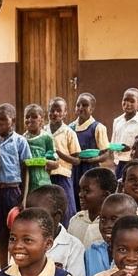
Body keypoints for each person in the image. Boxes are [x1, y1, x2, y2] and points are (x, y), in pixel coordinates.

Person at [0, 103, 31, 269]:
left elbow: (25, 169)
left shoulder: (20, 141)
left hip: (13, 190)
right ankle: (3, 268)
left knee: (14, 231)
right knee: (0, 233)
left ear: (12, 121)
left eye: (3, 120)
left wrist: (24, 196)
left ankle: (17, 267)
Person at [26, 185, 85, 276]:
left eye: (39, 216)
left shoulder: (73, 246)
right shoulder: (24, 242)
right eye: (29, 214)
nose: (32, 221)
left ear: (57, 216)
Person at [47, 97, 83, 227]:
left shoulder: (69, 132)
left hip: (63, 177)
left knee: (67, 212)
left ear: (65, 113)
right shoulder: (43, 131)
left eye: (58, 110)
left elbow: (77, 160)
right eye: (52, 110)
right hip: (46, 177)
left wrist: (59, 153)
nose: (55, 113)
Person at [71, 93, 111, 210]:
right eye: (78, 105)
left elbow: (105, 154)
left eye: (85, 105)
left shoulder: (98, 128)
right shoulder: (70, 128)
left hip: (91, 169)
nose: (80, 108)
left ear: (92, 109)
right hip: (74, 170)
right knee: (75, 197)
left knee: (90, 197)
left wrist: (92, 159)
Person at [85, 194, 138, 276]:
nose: (107, 225)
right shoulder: (92, 251)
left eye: (114, 219)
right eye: (103, 219)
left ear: (133, 220)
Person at [69, 167, 116, 248]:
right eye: (80, 190)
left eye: (87, 191)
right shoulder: (76, 219)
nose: (80, 194)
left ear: (106, 195)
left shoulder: (111, 225)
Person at [111, 89, 138, 176]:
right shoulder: (117, 121)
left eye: (132, 101)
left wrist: (131, 148)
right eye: (125, 100)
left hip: (135, 164)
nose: (127, 104)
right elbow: (113, 142)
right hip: (118, 163)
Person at [23, 103, 55, 192]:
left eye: (34, 117)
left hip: (43, 182)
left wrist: (44, 161)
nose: (30, 119)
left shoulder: (47, 138)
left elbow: (55, 163)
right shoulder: (22, 139)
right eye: (27, 117)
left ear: (41, 120)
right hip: (27, 185)